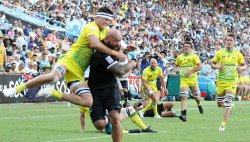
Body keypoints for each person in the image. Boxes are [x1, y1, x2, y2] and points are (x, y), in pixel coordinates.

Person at [3, 7, 126, 108]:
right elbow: (94, 44)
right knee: (53, 77)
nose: (107, 22)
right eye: (105, 19)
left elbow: (119, 43)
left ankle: (53, 92)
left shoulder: (107, 30)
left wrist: (122, 50)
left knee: (88, 102)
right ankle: (16, 89)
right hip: (69, 60)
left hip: (79, 71)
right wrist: (116, 53)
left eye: (109, 21)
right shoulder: (91, 27)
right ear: (97, 17)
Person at [88, 29, 134, 142]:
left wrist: (126, 50)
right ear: (107, 39)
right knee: (99, 124)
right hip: (95, 89)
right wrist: (132, 63)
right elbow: (120, 71)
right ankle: (128, 110)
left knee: (115, 118)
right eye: (115, 41)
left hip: (110, 87)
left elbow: (117, 55)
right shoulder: (101, 52)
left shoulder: (113, 47)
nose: (118, 43)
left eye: (120, 40)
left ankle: (118, 115)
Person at [211, 34, 247, 131]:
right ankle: (229, 108)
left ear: (234, 42)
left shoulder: (238, 54)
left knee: (227, 102)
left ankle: (223, 125)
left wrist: (241, 68)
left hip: (232, 82)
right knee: (219, 103)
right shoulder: (219, 53)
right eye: (227, 40)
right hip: (221, 81)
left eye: (231, 40)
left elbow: (244, 65)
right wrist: (218, 67)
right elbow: (212, 64)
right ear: (225, 41)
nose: (229, 41)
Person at [174, 41, 204, 122]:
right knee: (183, 97)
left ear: (190, 48)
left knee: (196, 97)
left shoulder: (194, 56)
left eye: (187, 46)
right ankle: (183, 114)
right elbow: (176, 65)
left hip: (193, 80)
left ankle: (199, 104)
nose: (186, 47)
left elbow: (200, 66)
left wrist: (191, 71)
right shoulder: (179, 57)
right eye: (184, 46)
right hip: (184, 79)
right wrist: (176, 69)